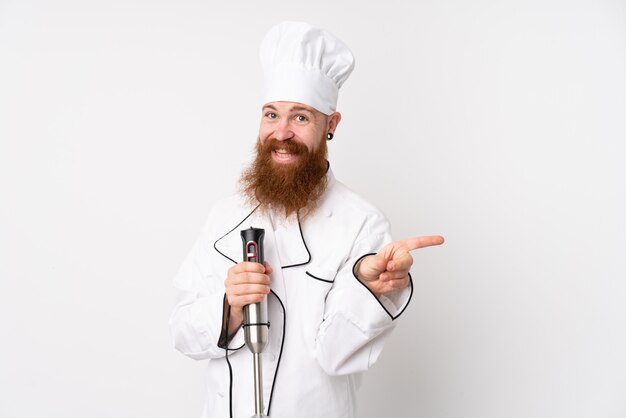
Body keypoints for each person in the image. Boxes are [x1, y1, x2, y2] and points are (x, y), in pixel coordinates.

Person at [169, 21, 444, 418]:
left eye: (300, 117)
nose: (281, 132)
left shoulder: (360, 223)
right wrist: (228, 308)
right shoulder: (225, 215)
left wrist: (366, 288)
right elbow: (182, 332)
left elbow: (335, 357)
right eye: (271, 114)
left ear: (330, 125)